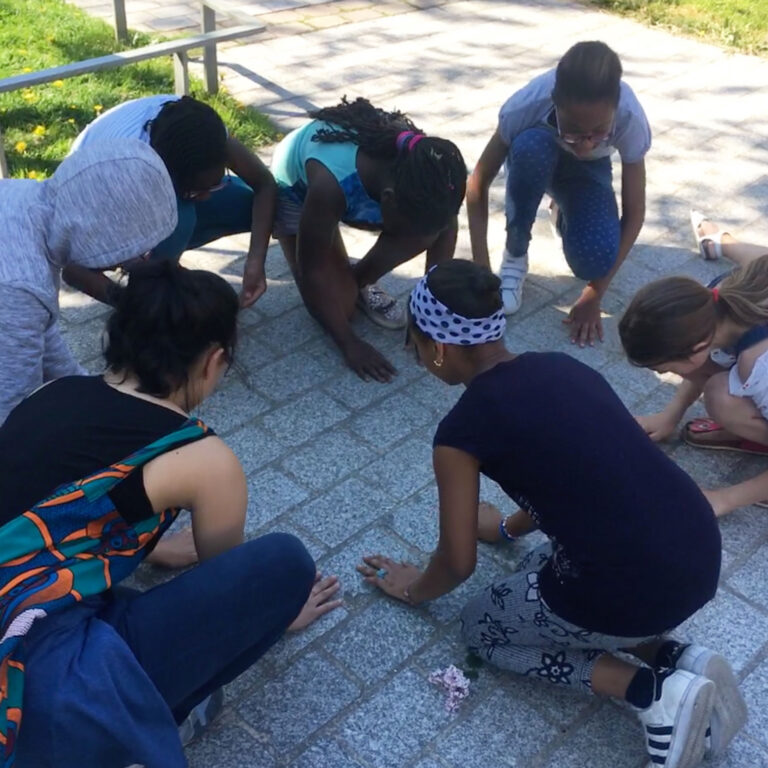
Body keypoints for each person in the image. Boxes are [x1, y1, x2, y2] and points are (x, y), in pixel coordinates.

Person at [357, 260, 745, 768]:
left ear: (437, 348)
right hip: (695, 550)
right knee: (531, 568)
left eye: (414, 345)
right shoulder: (562, 367)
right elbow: (575, 478)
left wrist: (411, 589)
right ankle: (677, 658)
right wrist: (502, 528)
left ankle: (650, 692)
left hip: (637, 588)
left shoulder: (461, 433)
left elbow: (456, 565)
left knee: (484, 629)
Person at [2, 263, 341, 768]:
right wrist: (276, 615)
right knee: (284, 564)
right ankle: (144, 727)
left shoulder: (52, 393)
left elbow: (81, 498)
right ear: (215, 360)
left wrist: (153, 546)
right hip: (41, 675)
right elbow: (229, 585)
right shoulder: (205, 460)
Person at [466, 40, 650, 346]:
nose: (587, 144)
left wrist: (595, 293)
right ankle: (515, 253)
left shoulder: (630, 117)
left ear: (616, 107)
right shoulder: (525, 105)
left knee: (594, 261)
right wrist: (482, 271)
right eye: (575, 129)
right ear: (554, 102)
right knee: (530, 149)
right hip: (534, 158)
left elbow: (635, 213)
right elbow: (477, 183)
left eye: (599, 131)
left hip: (587, 173)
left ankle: (563, 213)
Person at [271, 96, 467, 382]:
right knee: (339, 308)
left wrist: (427, 321)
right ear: (387, 202)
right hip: (297, 191)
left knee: (428, 228)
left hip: (355, 194)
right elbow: (310, 270)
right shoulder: (330, 186)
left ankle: (357, 279)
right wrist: (349, 345)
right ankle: (347, 280)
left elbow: (446, 227)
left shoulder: (424, 172)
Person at [65, 95, 276, 308]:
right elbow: (71, 266)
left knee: (249, 203)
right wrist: (134, 305)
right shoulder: (118, 176)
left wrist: (256, 260)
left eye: (215, 183)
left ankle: (160, 270)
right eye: (195, 191)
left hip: (151, 181)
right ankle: (153, 282)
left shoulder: (207, 134)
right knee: (182, 220)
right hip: (101, 194)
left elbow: (265, 184)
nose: (206, 197)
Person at [619, 216, 768, 517]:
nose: (668, 374)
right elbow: (699, 362)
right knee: (718, 389)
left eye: (664, 368)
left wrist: (724, 498)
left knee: (721, 396)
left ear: (696, 348)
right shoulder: (711, 303)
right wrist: (669, 416)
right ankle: (720, 241)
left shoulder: (760, 364)